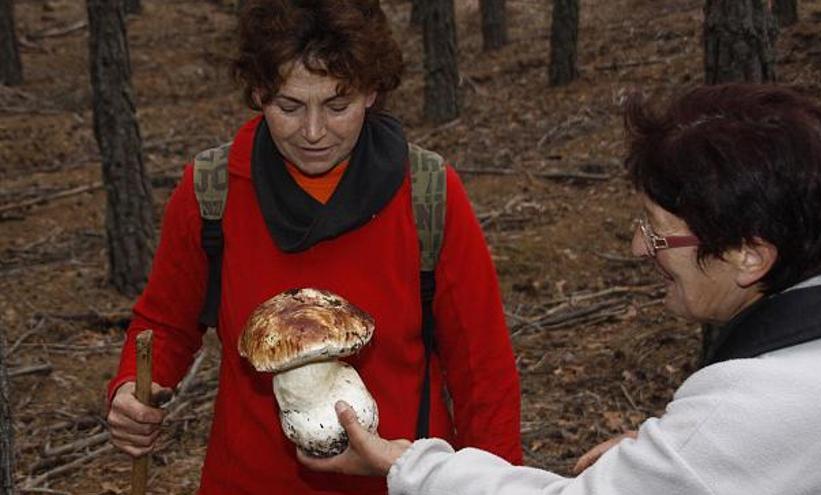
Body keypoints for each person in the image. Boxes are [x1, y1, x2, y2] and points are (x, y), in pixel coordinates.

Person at [299, 84, 821, 494]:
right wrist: (673, 461)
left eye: (658, 233)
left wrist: (408, 464)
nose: (637, 248)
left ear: (750, 256)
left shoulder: (762, 408)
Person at [104, 1, 522, 493]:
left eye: (337, 105)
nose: (314, 132)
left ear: (371, 91)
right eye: (289, 106)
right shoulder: (213, 191)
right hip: (250, 479)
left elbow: (482, 371)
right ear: (259, 93)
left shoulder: (427, 194)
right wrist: (133, 385)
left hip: (398, 480)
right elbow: (166, 322)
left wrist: (493, 483)